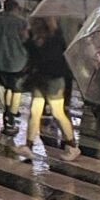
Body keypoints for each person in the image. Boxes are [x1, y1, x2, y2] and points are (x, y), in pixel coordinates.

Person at [18, 14, 79, 161]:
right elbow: (34, 57)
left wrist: (28, 43)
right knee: (34, 111)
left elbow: (46, 58)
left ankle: (72, 146)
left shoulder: (54, 38)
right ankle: (28, 145)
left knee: (58, 113)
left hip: (53, 81)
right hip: (39, 79)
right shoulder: (37, 38)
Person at [0, 0, 29, 135]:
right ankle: (10, 119)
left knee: (7, 89)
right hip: (19, 61)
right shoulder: (21, 22)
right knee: (16, 91)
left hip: (1, 61)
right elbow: (26, 41)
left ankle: (7, 114)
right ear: (15, 8)